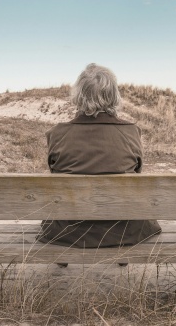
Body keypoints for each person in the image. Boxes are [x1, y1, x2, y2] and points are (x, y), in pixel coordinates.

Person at [36, 63, 161, 248]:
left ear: (79, 96)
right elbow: (137, 174)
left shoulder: (57, 134)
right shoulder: (131, 132)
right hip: (124, 230)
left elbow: (55, 173)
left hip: (69, 232)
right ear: (113, 95)